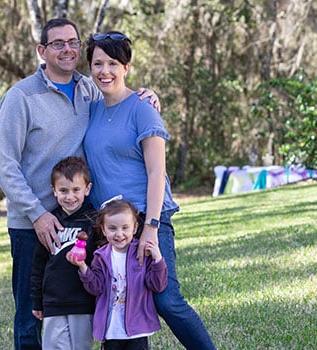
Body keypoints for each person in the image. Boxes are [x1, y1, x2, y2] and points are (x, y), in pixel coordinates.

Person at [0, 18, 159, 349]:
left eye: (73, 42)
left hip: (81, 221)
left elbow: (119, 98)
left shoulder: (89, 88)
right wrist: (37, 214)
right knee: (31, 313)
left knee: (87, 307)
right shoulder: (21, 97)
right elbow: (4, 164)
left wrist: (147, 96)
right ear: (42, 51)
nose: (67, 49)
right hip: (32, 225)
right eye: (58, 43)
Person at [82, 31, 217, 349]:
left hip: (146, 218)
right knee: (114, 297)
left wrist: (152, 228)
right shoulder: (92, 110)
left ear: (126, 67)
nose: (105, 71)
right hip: (110, 225)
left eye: (113, 63)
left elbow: (158, 172)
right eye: (98, 63)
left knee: (166, 299)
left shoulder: (143, 108)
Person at [66, 198, 168, 349]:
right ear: (103, 229)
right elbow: (96, 288)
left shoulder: (142, 254)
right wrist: (83, 267)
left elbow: (157, 285)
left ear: (134, 228)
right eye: (112, 228)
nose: (119, 234)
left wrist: (158, 259)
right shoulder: (100, 256)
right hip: (111, 329)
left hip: (137, 329)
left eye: (125, 228)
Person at [30, 156, 98, 350]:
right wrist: (37, 301)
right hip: (54, 302)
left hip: (83, 302)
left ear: (87, 189)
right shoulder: (50, 223)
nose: (70, 196)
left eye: (76, 190)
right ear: (54, 191)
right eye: (63, 191)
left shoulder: (94, 222)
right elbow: (38, 265)